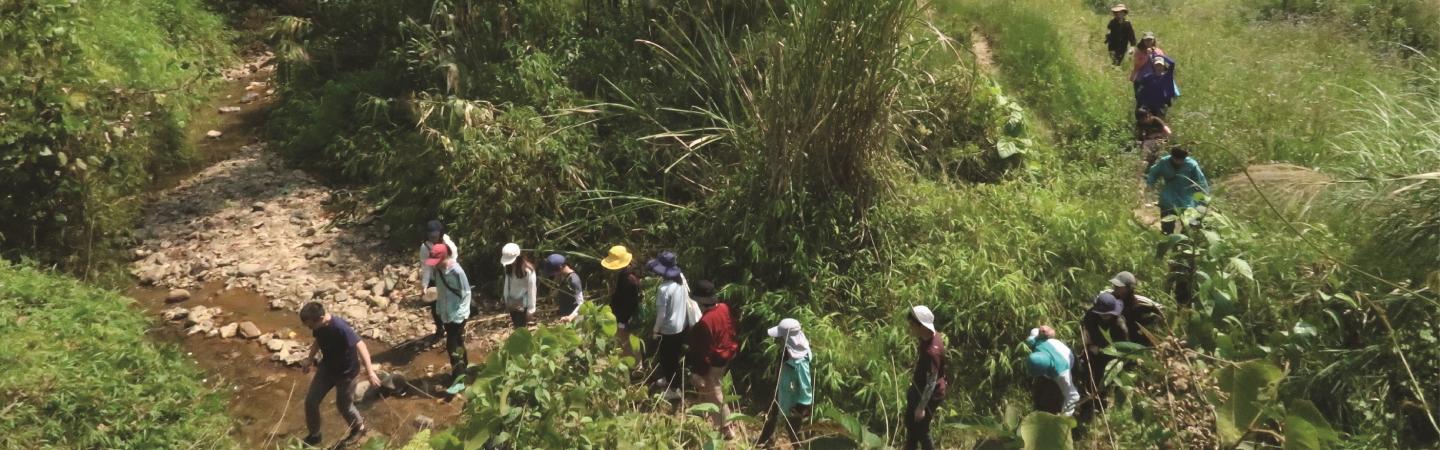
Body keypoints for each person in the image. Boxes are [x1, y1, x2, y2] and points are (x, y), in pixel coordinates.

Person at [299, 302, 382, 447]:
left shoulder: (339, 327)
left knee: (344, 406)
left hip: (346, 373)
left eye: (310, 325)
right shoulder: (319, 326)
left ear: (321, 318)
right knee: (311, 402)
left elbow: (361, 345)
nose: (309, 328)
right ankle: (315, 435)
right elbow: (318, 340)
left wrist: (370, 372)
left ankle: (359, 428)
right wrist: (310, 359)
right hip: (327, 368)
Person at [687, 280, 738, 439]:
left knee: (715, 392)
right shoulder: (724, 307)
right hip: (728, 353)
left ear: (700, 301)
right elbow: (732, 328)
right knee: (716, 387)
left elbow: (703, 353)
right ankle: (702, 412)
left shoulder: (703, 323)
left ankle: (726, 428)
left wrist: (698, 373)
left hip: (715, 360)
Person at [756, 318, 814, 448]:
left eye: (780, 337)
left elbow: (806, 387)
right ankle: (764, 442)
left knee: (794, 430)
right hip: (782, 394)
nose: (778, 339)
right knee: (772, 418)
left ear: (787, 338)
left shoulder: (800, 361)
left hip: (793, 403)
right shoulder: (787, 352)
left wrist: (801, 406)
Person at [428, 243, 471, 393]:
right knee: (457, 342)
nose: (434, 264)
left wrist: (460, 314)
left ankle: (459, 379)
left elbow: (466, 293)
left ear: (444, 257)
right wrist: (439, 309)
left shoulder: (457, 271)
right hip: (446, 313)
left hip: (458, 314)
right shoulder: (438, 271)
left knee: (451, 345)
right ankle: (464, 369)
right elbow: (440, 291)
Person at [1076, 292, 1126, 416]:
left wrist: (1101, 350)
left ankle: (1099, 408)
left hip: (1108, 358)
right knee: (1086, 377)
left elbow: (1123, 350)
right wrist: (1085, 340)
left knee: (1101, 383)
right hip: (1091, 352)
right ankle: (1085, 407)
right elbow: (1086, 328)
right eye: (1103, 314)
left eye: (1108, 314)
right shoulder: (1091, 316)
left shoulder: (1119, 326)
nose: (1106, 316)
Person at [904, 306, 948, 450]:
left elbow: (931, 382)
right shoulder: (928, 336)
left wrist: (921, 408)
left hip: (930, 393)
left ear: (922, 326)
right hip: (919, 388)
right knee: (911, 424)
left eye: (912, 325)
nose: (910, 328)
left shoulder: (932, 352)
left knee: (921, 430)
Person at [1146, 147, 1210, 235]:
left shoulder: (1192, 165)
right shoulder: (1164, 162)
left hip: (1187, 200)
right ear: (1172, 156)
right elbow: (1153, 172)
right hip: (1168, 198)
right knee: (1167, 228)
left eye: (1181, 160)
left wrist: (1203, 201)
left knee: (1190, 227)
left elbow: (1201, 183)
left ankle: (1185, 245)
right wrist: (1150, 184)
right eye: (1176, 159)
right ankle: (1167, 243)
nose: (1178, 162)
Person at [650, 260, 690, 400]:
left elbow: (661, 315)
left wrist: (655, 330)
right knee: (673, 358)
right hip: (681, 326)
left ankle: (675, 389)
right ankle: (668, 380)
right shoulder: (681, 281)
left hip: (669, 329)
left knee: (669, 359)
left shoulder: (664, 289)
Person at [418, 220, 460, 343]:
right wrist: (425, 285)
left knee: (449, 302)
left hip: (448, 276)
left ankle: (453, 328)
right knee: (435, 307)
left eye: (435, 236)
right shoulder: (425, 247)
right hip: (434, 278)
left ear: (440, 233)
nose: (434, 239)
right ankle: (440, 329)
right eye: (431, 237)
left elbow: (453, 261)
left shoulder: (449, 244)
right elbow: (426, 267)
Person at [1025, 326, 1079, 416]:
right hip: (1055, 357)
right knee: (1039, 393)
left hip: (1068, 363)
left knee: (1053, 398)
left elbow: (1073, 396)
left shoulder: (1061, 374)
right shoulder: (1039, 343)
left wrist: (1063, 416)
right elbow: (1034, 332)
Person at [601, 245, 642, 363]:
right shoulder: (628, 273)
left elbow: (630, 303)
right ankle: (635, 366)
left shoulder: (629, 280)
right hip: (623, 316)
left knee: (626, 343)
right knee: (628, 342)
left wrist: (622, 322)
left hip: (625, 318)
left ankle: (635, 368)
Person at [1108, 271, 1164, 347]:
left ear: (1129, 288)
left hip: (1138, 344)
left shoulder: (1141, 305)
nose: (1116, 288)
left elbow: (1160, 314)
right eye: (1115, 285)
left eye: (1119, 286)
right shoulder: (1109, 300)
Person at [499, 243, 536, 329]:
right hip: (512, 303)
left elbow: (532, 290)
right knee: (516, 326)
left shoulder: (528, 271)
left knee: (521, 329)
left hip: (522, 305)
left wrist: (531, 310)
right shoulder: (509, 268)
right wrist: (506, 299)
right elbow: (507, 284)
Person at [542, 253, 583, 323]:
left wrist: (571, 316)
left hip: (573, 320)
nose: (554, 275)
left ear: (560, 268)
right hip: (564, 317)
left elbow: (581, 303)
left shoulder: (574, 281)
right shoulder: (564, 277)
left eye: (555, 272)